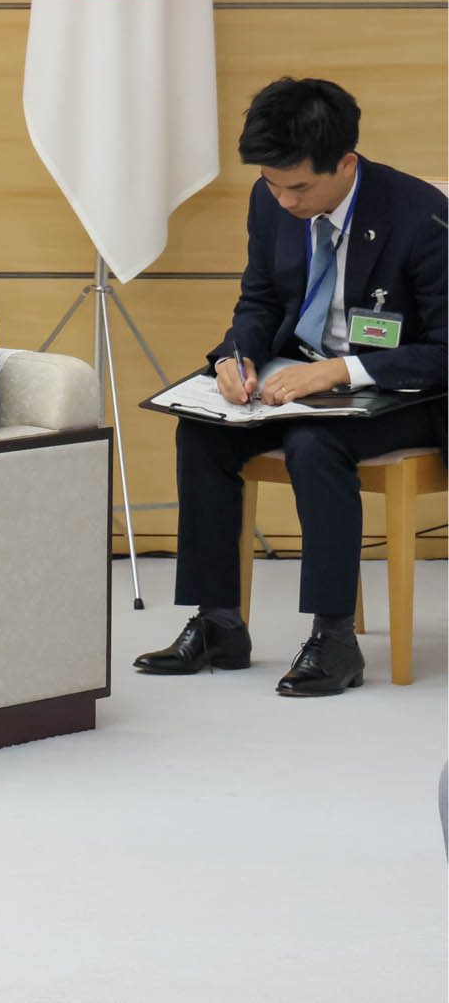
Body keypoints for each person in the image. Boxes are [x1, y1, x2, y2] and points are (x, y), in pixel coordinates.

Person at [136, 78, 445, 697]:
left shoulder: (420, 218)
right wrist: (238, 356)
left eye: (299, 186)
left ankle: (334, 639)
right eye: (272, 184)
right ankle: (218, 621)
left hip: (403, 391)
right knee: (201, 433)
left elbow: (443, 349)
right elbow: (259, 298)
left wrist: (341, 371)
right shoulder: (270, 198)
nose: (283, 199)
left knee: (314, 444)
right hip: (293, 377)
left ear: (346, 164)